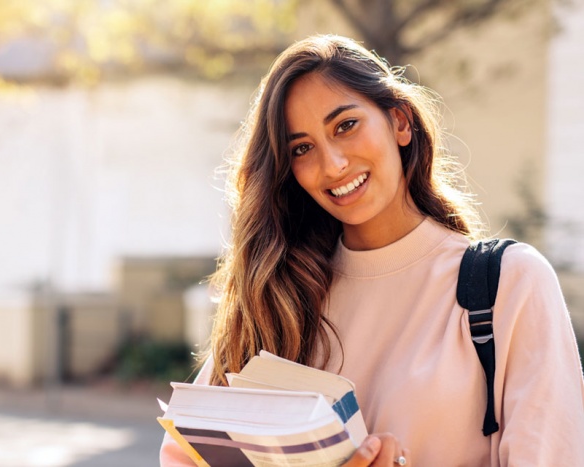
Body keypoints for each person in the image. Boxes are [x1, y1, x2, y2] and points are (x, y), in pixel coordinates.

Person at [160, 34, 584, 466]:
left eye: (345, 125)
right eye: (302, 148)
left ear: (400, 122)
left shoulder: (508, 284)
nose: (333, 165)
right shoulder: (278, 295)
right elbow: (183, 455)